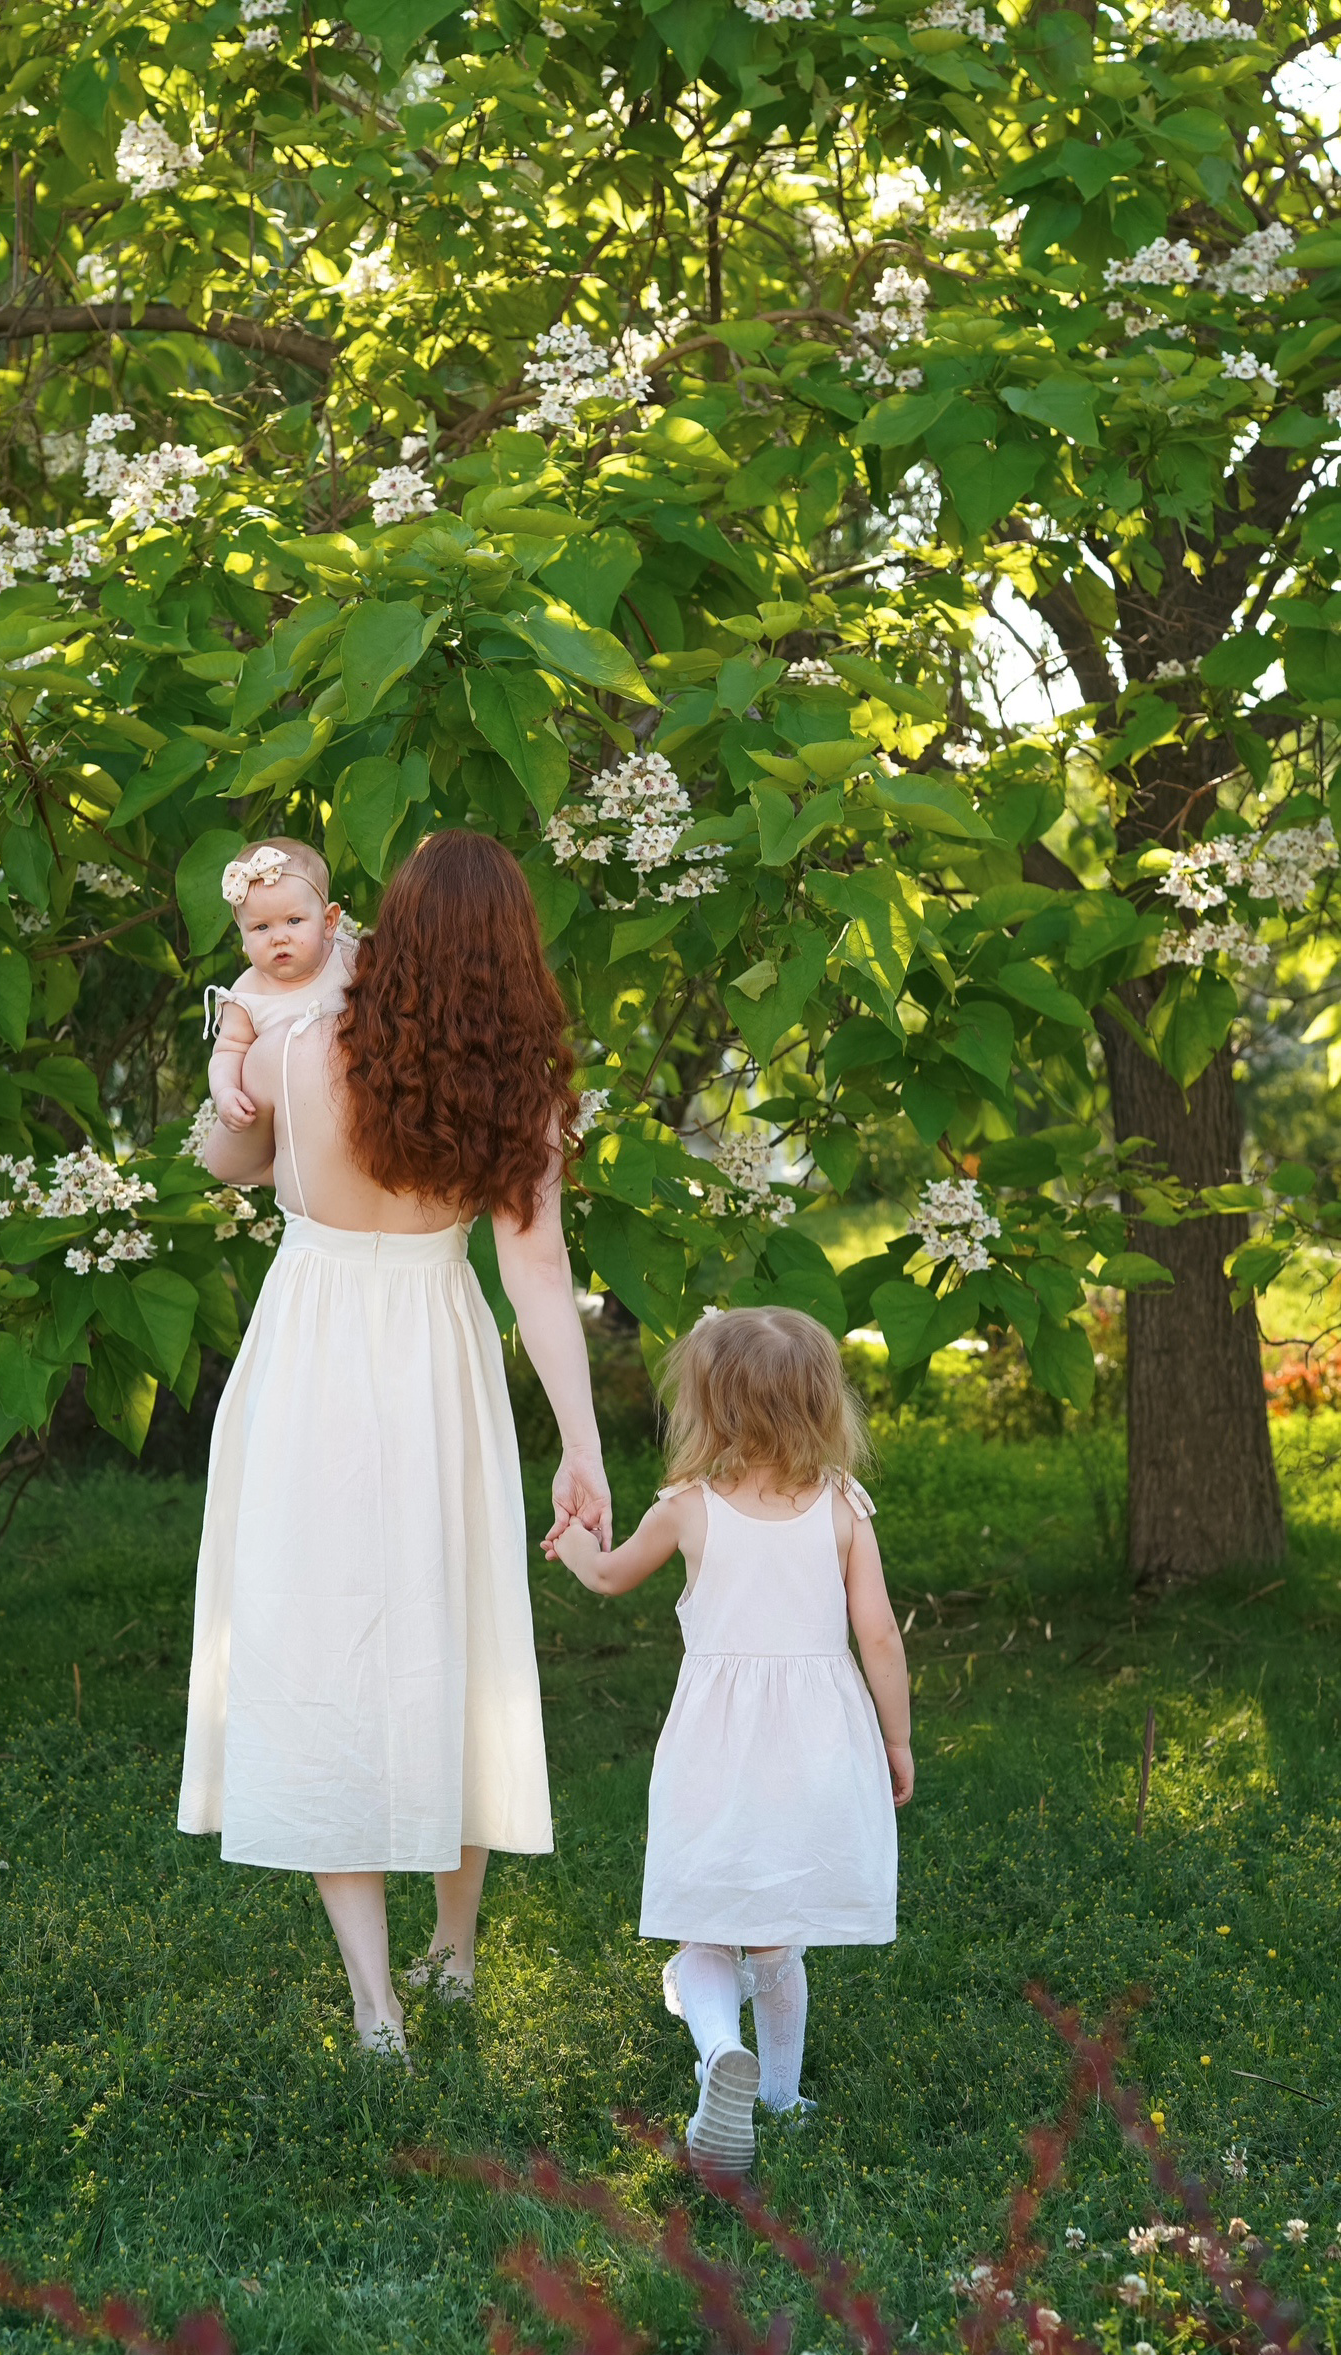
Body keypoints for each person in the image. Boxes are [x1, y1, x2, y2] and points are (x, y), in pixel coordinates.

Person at [179, 830, 612, 2053]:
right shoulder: (515, 1084)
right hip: (435, 1348)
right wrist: (580, 1445)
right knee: (448, 1628)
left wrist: (230, 1088)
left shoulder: (299, 1044)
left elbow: (224, 1163)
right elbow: (535, 1271)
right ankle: (454, 1954)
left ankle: (376, 2008)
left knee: (320, 1643)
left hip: (311, 1345)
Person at [547, 1305, 911, 2173]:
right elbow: (883, 1637)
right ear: (822, 1403)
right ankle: (781, 2099)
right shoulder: (843, 1507)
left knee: (707, 1929)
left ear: (708, 1407)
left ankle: (719, 2059)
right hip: (818, 1746)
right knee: (778, 1937)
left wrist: (569, 1546)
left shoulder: (686, 1509)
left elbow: (608, 1576)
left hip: (716, 1747)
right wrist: (896, 1741)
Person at [206, 838, 357, 1130]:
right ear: (243, 938)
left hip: (363, 1101)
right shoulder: (246, 997)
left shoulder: (349, 958)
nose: (278, 937)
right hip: (296, 1124)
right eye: (261, 927)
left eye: (294, 920)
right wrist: (225, 1092)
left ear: (328, 922)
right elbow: (227, 1052)